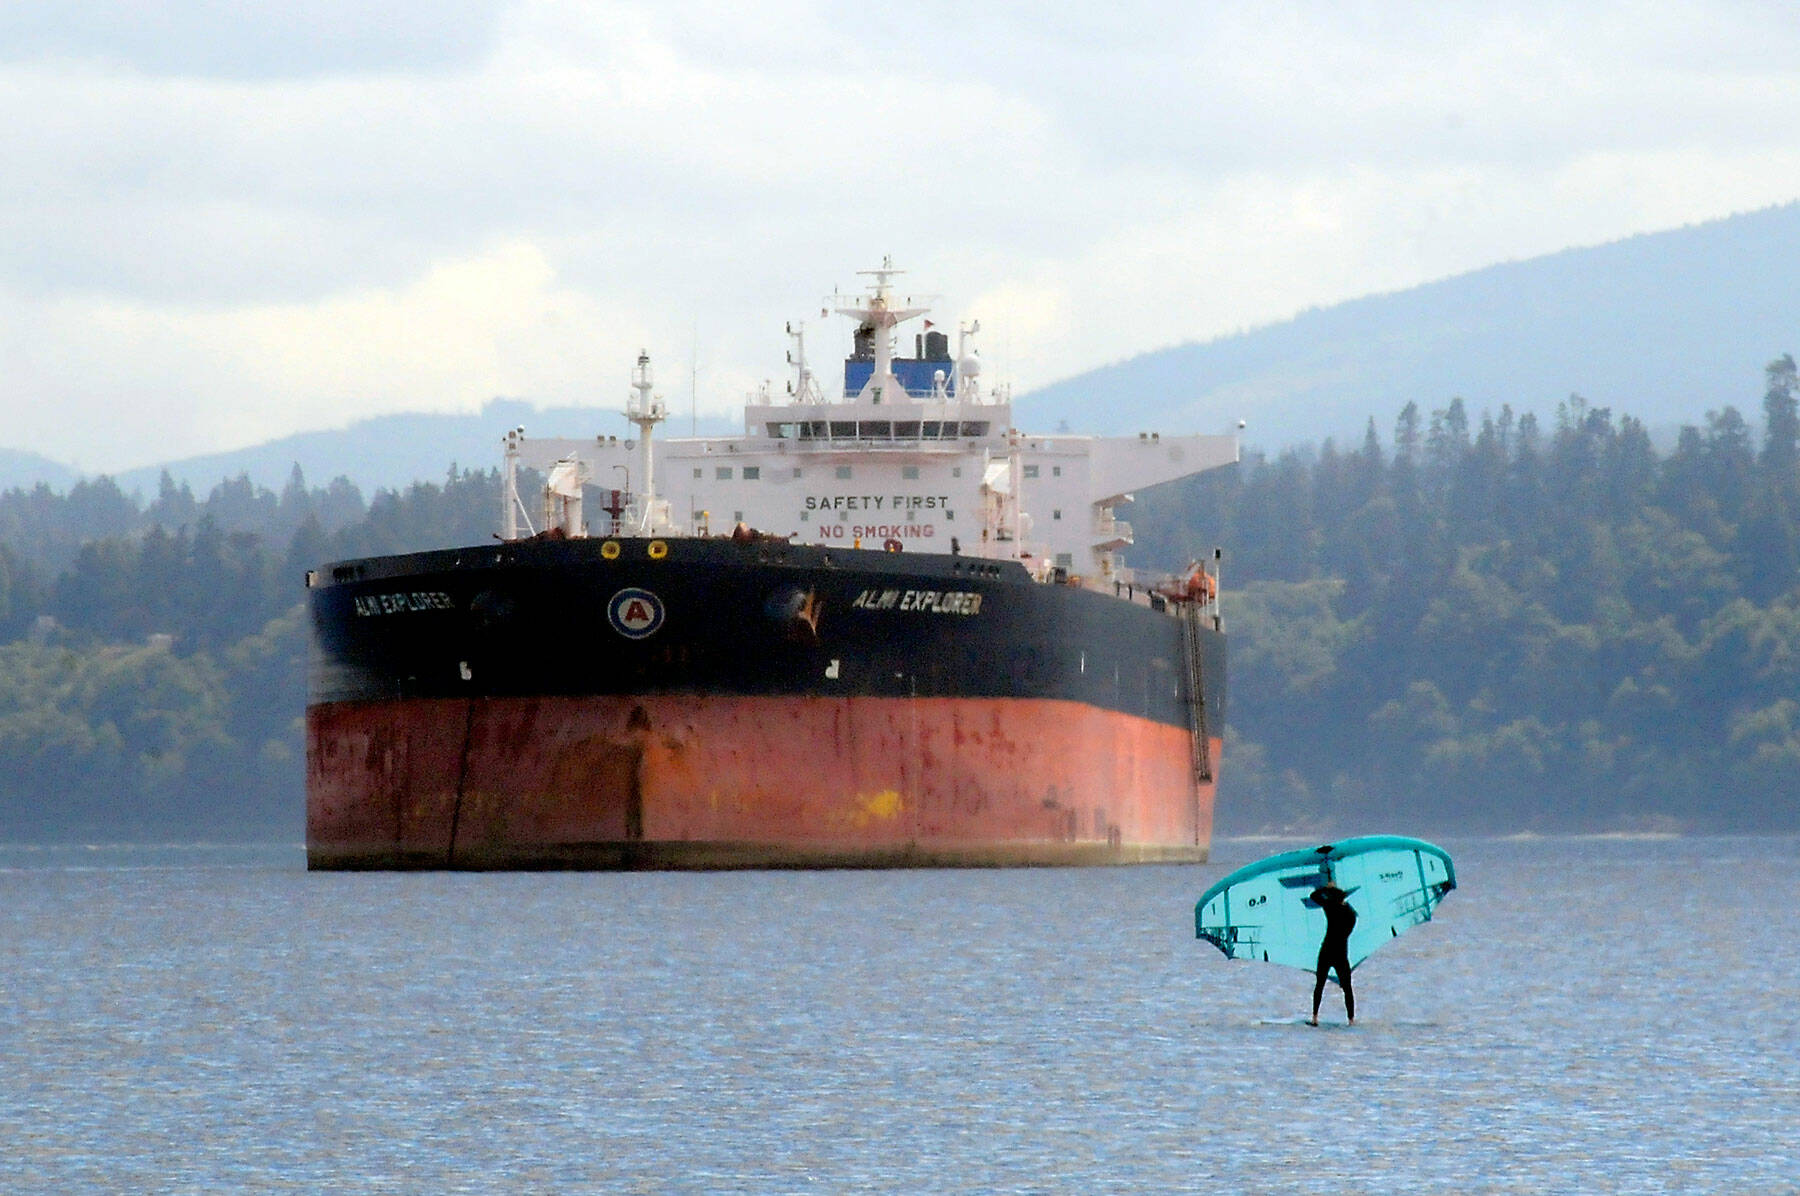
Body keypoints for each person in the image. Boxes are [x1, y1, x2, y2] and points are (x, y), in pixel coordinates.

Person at [1309, 883, 1357, 1026]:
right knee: (1347, 988)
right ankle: (1351, 1020)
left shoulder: (1330, 907)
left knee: (1320, 985)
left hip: (1326, 951)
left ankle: (1315, 1018)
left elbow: (1314, 896)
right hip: (1341, 954)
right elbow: (1350, 926)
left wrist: (1326, 888)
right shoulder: (1350, 914)